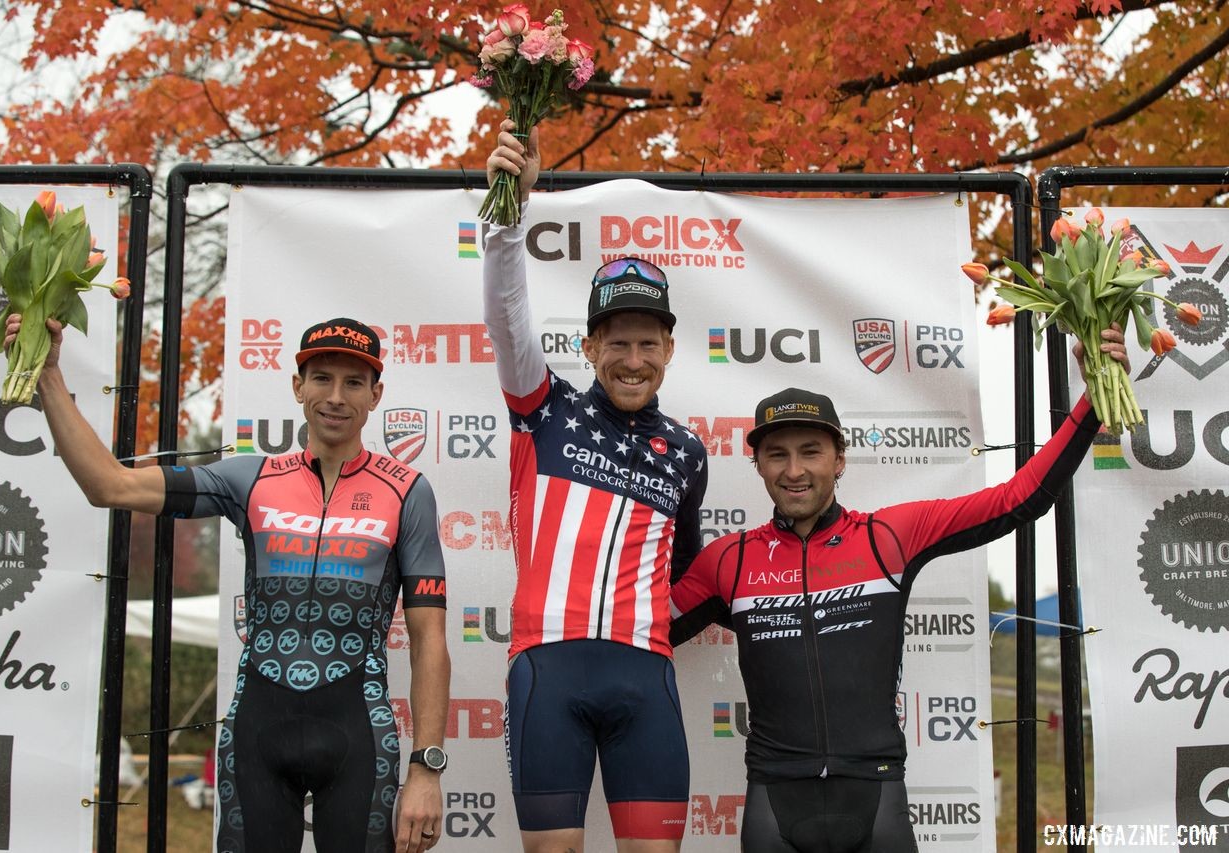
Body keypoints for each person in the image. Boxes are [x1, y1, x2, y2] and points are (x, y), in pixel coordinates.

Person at [670, 328, 1131, 853]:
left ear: (839, 460)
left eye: (811, 452)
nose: (794, 471)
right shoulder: (727, 560)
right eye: (776, 455)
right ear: (758, 464)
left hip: (877, 798)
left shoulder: (887, 536)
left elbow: (1018, 499)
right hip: (774, 805)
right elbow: (643, 629)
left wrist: (1092, 401)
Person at [5, 314, 450, 853]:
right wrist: (49, 375)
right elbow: (108, 485)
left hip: (359, 731)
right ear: (297, 386)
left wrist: (426, 769)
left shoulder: (407, 491)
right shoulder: (250, 478)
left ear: (376, 395)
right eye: (322, 378)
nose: (336, 396)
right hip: (257, 733)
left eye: (353, 382)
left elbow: (429, 640)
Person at [485, 121, 709, 853]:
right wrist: (509, 218)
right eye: (617, 340)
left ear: (670, 350)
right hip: (548, 671)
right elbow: (506, 317)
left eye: (649, 341)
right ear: (589, 345)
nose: (633, 357)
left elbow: (688, 576)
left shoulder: (685, 450)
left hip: (646, 679)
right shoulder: (544, 406)